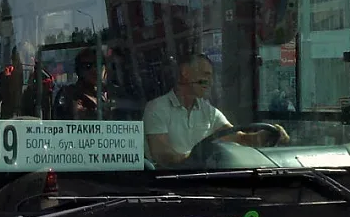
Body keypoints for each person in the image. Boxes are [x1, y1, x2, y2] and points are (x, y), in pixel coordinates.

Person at [144, 54, 289, 167]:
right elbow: (163, 155)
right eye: (205, 75)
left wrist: (266, 136)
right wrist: (199, 157)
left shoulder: (209, 112)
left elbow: (240, 138)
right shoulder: (157, 108)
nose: (210, 82)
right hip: (171, 187)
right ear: (185, 72)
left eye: (211, 76)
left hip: (207, 182)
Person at [56, 48, 111, 121]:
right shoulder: (70, 94)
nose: (94, 70)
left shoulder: (110, 93)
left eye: (99, 64)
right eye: (88, 66)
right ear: (79, 70)